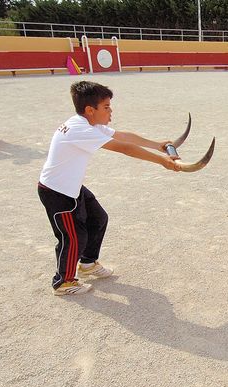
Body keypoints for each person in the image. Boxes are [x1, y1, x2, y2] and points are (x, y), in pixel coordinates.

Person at [38, 81, 181, 296]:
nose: (110, 110)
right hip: (57, 192)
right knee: (74, 236)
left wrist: (157, 144)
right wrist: (162, 161)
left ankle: (87, 263)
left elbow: (122, 136)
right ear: (90, 110)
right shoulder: (80, 130)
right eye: (106, 107)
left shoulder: (88, 124)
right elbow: (123, 148)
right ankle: (64, 281)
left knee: (98, 219)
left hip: (72, 186)